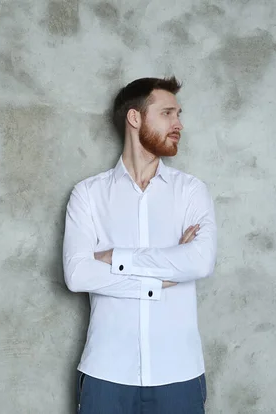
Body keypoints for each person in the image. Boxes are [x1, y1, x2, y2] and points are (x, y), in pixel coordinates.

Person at [62, 76, 218, 413]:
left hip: (179, 374)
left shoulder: (191, 192)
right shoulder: (88, 195)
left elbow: (200, 261)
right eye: (167, 114)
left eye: (178, 114)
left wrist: (114, 257)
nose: (179, 124)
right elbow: (77, 275)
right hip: (106, 375)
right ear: (135, 118)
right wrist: (164, 275)